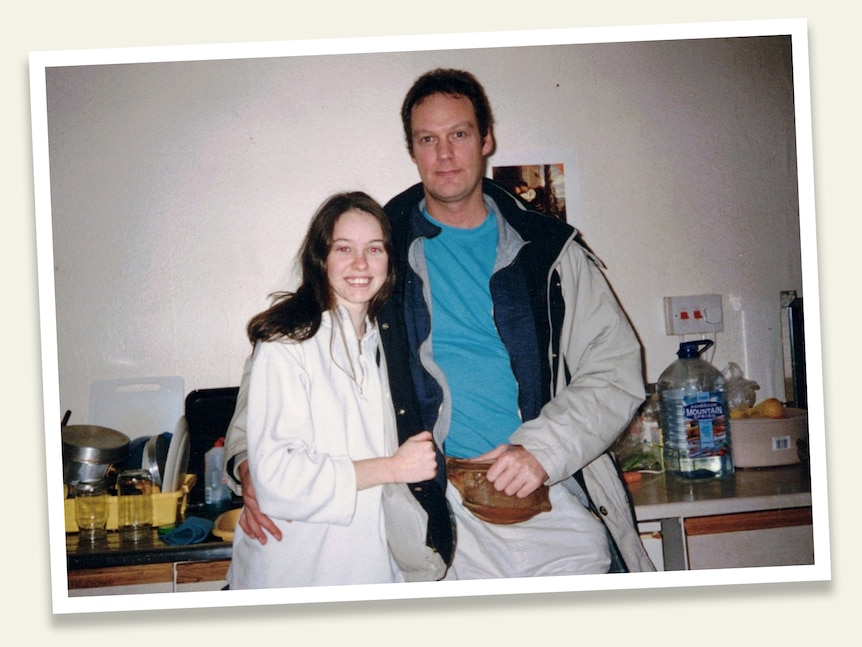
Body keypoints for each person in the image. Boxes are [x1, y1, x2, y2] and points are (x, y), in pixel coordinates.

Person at [225, 69, 655, 579]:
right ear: (412, 150)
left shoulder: (549, 250)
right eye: (428, 139)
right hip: (436, 517)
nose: (445, 154)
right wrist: (249, 461)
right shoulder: (377, 246)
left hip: (547, 497)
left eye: (459, 134)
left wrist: (544, 450)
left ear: (486, 139)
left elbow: (614, 369)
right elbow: (287, 342)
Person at [225, 191, 440, 589]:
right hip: (292, 569)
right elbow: (278, 478)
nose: (360, 263)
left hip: (370, 566)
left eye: (374, 249)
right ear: (320, 258)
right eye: (344, 248)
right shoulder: (286, 344)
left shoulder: (382, 343)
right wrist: (393, 467)